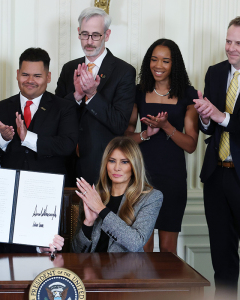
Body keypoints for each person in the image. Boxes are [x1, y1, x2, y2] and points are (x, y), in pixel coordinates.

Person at [125, 39, 199, 254]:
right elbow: (126, 137)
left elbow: (191, 145)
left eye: (165, 61)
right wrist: (146, 134)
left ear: (174, 65)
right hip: (142, 178)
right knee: (143, 245)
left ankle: (168, 290)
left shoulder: (188, 95)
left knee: (168, 251)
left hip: (173, 179)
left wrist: (167, 127)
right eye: (154, 59)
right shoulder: (138, 92)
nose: (158, 65)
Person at [55, 7, 136, 185]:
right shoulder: (69, 68)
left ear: (106, 35)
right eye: (85, 34)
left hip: (101, 165)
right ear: (78, 32)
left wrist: (92, 95)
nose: (89, 41)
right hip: (66, 165)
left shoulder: (124, 72)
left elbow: (119, 123)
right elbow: (55, 115)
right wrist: (76, 95)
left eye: (96, 35)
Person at [193, 16, 240, 297]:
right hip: (216, 176)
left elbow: (226, 119)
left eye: (238, 43)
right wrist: (206, 118)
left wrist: (221, 116)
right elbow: (206, 126)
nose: (231, 48)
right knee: (222, 258)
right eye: (228, 41)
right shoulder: (215, 72)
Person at [0, 48, 78, 179]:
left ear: (48, 77)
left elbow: (67, 145)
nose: (30, 80)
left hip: (49, 185)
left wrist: (28, 138)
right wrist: (3, 139)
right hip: (9, 185)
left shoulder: (64, 107)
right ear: (17, 74)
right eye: (25, 74)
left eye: (37, 76)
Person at [72, 136, 163, 253]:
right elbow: (75, 252)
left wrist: (101, 209)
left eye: (124, 162)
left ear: (135, 165)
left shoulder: (150, 198)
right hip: (92, 268)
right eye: (112, 161)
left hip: (127, 270)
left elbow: (136, 243)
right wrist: (88, 223)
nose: (117, 168)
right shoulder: (93, 196)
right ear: (105, 163)